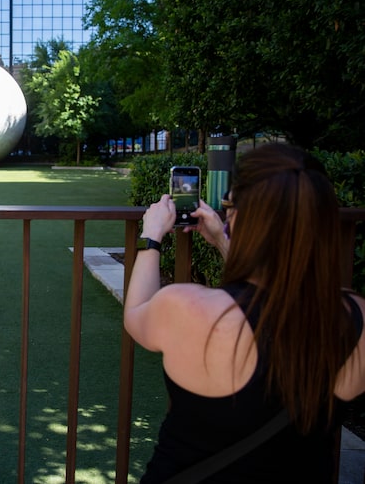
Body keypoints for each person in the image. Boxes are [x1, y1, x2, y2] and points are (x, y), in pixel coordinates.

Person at [124, 143, 365, 482]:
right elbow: (274, 295)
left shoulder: (188, 307)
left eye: (230, 207)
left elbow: (136, 314)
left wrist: (151, 238)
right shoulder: (357, 317)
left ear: (241, 219)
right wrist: (224, 241)